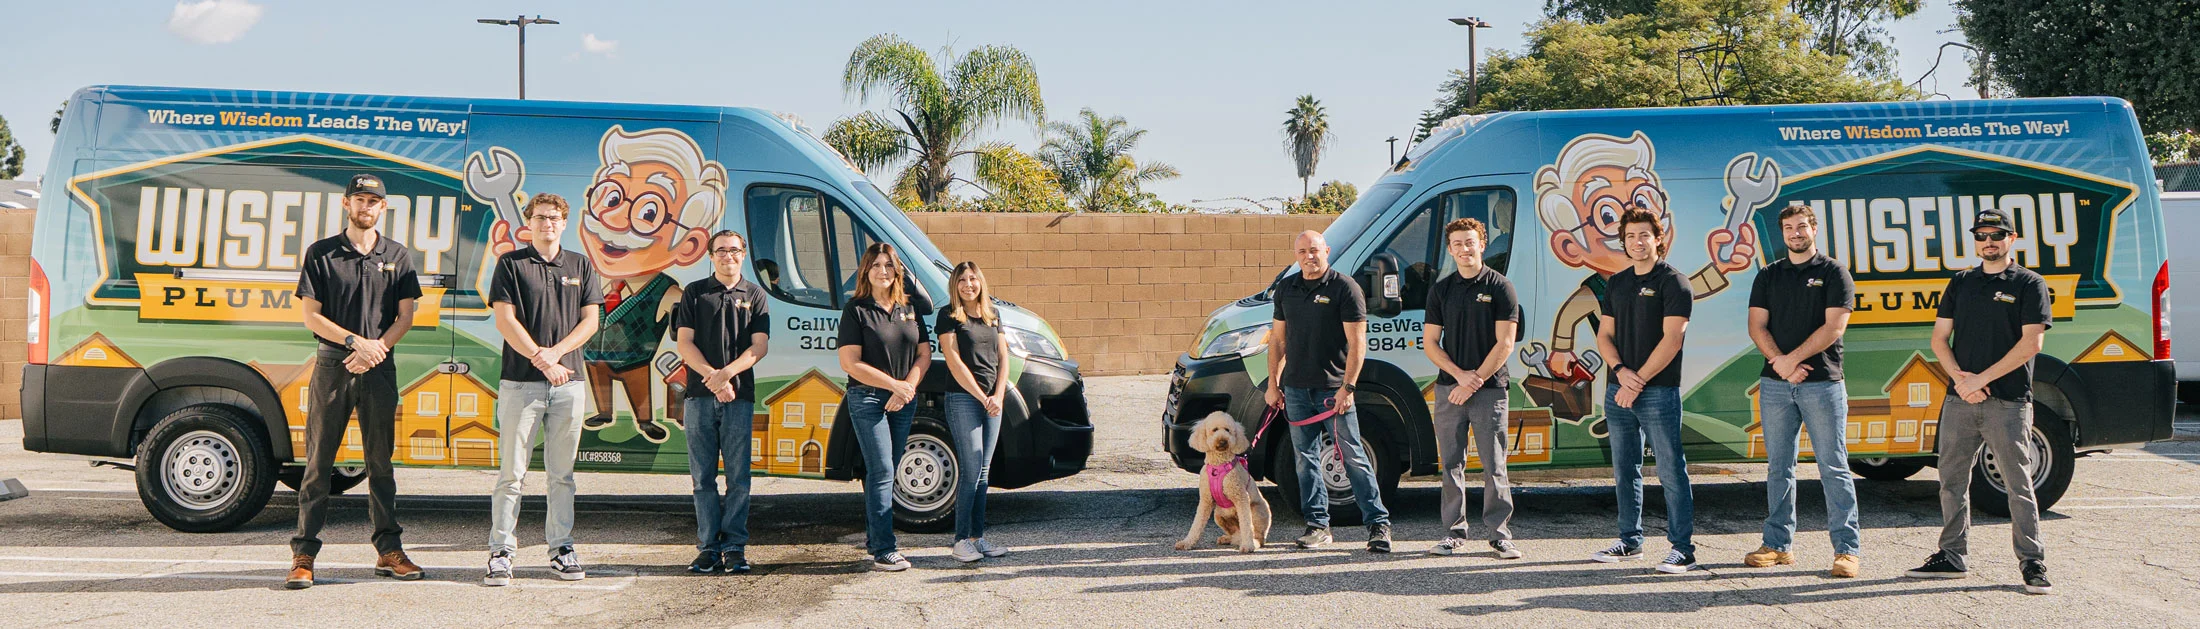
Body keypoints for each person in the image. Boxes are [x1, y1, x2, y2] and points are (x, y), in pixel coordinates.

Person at [1904, 208, 2055, 595]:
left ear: (2011, 239)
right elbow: (1939, 339)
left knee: (2018, 484)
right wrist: (1961, 381)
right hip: (1960, 400)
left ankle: (2032, 561)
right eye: (1982, 235)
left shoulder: (2029, 284)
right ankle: (1952, 555)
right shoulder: (1961, 282)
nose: (1989, 241)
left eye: (1997, 235)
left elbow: (2032, 343)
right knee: (1951, 480)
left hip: (2008, 402)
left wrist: (1980, 380)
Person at [287, 174, 425, 589]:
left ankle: (389, 551)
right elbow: (311, 316)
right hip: (334, 365)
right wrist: (354, 343)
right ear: (346, 204)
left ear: (383, 207)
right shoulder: (322, 253)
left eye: (373, 201)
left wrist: (375, 349)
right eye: (359, 200)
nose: (366, 207)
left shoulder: (397, 255)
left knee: (380, 463)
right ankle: (304, 555)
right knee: (319, 463)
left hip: (379, 366)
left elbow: (405, 317)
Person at [484, 193, 603, 586]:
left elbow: (590, 322)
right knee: (511, 474)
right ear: (529, 222)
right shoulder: (511, 264)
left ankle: (562, 549)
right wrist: (542, 359)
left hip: (569, 385)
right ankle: (501, 552)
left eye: (553, 217)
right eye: (539, 217)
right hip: (521, 383)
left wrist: (556, 354)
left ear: (563, 223)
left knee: (562, 475)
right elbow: (505, 321)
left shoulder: (580, 265)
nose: (546, 223)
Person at [1742, 203, 1863, 578]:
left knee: (1834, 467)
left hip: (1823, 384)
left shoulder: (1834, 273)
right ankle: (1777, 545)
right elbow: (1756, 326)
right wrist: (1780, 362)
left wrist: (1790, 360)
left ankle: (1846, 551)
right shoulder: (1769, 275)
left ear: (1814, 229)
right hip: (1775, 386)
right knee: (1779, 468)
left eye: (1801, 226)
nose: (1795, 233)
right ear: (1783, 233)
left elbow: (1834, 327)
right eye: (1789, 228)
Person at [1265, 230, 1392, 553]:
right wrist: (1273, 385)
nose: (1309, 256)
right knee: (1305, 461)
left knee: (1353, 457)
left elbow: (1357, 343)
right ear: (1296, 255)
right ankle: (1318, 526)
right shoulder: (1287, 289)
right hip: (1295, 390)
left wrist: (1348, 388)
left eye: (1314, 250)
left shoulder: (1345, 288)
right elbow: (1278, 340)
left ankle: (1378, 525)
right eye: (1302, 251)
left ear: (1327, 251)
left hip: (1333, 391)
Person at [1589, 207, 1698, 574]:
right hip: (1619, 389)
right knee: (1625, 469)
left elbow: (1672, 340)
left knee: (1670, 469)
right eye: (1631, 236)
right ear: (1623, 241)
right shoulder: (1617, 283)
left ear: (1658, 238)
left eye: (1644, 235)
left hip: (1658, 391)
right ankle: (1630, 541)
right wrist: (1621, 372)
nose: (1637, 242)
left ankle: (1683, 549)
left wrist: (1637, 381)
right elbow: (1604, 335)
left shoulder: (1674, 282)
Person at [1420, 218, 1523, 560]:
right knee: (1451, 464)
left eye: (1470, 242)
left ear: (1482, 244)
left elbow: (1505, 343)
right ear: (1450, 250)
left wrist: (1474, 379)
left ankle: (1500, 535)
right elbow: (1431, 343)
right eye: (1458, 244)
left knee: (1494, 465)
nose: (1464, 249)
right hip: (1450, 390)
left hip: (1490, 390)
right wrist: (1458, 376)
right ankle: (1453, 534)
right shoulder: (1441, 290)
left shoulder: (1501, 287)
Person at [672, 230, 772, 575]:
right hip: (699, 398)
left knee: (738, 478)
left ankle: (734, 547)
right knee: (702, 479)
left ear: (743, 254)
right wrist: (712, 378)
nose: (728, 256)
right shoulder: (695, 292)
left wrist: (727, 375)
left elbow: (759, 346)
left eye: (734, 250)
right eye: (721, 251)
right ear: (711, 256)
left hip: (739, 398)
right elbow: (684, 343)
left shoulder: (755, 295)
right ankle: (708, 548)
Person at [837, 243, 932, 571]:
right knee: (881, 471)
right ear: (866, 271)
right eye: (875, 265)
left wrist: (907, 388)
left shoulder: (910, 308)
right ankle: (884, 549)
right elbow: (850, 363)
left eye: (888, 265)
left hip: (903, 399)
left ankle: (875, 538)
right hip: (867, 399)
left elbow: (924, 354)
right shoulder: (856, 310)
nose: (882, 271)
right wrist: (894, 385)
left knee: (886, 471)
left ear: (896, 271)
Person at [937, 262, 1014, 563]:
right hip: (963, 399)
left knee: (983, 472)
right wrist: (983, 397)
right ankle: (960, 541)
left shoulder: (993, 315)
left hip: (993, 401)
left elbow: (1004, 357)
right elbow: (953, 361)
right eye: (962, 280)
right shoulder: (948, 316)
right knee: (970, 471)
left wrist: (998, 395)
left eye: (973, 279)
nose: (968, 285)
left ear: (980, 282)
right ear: (954, 285)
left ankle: (976, 539)